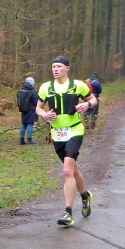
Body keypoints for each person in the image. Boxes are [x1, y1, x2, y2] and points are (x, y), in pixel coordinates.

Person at [35, 56, 96, 227]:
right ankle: (85, 196)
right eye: (53, 66)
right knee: (73, 170)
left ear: (67, 68)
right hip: (57, 134)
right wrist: (45, 115)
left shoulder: (78, 85)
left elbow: (93, 99)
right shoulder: (46, 87)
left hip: (75, 130)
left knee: (67, 171)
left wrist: (87, 105)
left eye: (59, 66)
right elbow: (38, 108)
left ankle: (68, 212)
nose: (55, 69)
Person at [18, 77, 39, 144]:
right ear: (32, 83)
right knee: (30, 124)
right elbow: (36, 102)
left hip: (24, 110)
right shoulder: (33, 91)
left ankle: (21, 140)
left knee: (24, 124)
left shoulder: (22, 90)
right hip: (31, 110)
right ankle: (29, 140)